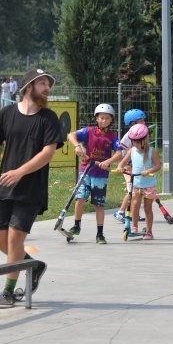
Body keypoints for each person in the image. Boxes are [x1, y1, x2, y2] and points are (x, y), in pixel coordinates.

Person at [0, 68, 63, 308]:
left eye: (48, 84)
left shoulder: (48, 118)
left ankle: (7, 292)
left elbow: (47, 154)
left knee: (15, 239)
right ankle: (32, 266)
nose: (47, 88)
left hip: (31, 189)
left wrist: (20, 172)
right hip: (4, 186)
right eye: (43, 84)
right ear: (28, 87)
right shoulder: (6, 114)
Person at [66, 103, 125, 244]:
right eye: (101, 118)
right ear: (96, 118)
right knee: (80, 198)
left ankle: (100, 234)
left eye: (107, 118)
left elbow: (119, 152)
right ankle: (76, 225)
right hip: (86, 170)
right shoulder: (89, 131)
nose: (104, 120)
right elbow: (71, 135)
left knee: (99, 205)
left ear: (111, 120)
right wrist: (77, 146)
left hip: (101, 174)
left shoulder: (112, 136)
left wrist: (108, 161)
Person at [116, 124, 161, 240]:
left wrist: (149, 171)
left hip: (149, 185)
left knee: (147, 209)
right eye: (133, 141)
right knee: (134, 206)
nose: (134, 144)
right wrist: (120, 167)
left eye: (136, 142)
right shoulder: (132, 151)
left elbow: (157, 166)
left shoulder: (151, 151)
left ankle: (149, 231)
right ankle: (134, 227)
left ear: (144, 140)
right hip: (136, 183)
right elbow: (123, 161)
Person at [114, 108, 147, 224]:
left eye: (143, 120)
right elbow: (120, 152)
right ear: (132, 123)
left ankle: (134, 214)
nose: (144, 122)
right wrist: (124, 165)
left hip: (135, 165)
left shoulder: (140, 133)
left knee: (138, 190)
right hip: (127, 165)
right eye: (141, 120)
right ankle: (120, 212)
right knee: (132, 190)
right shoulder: (129, 135)